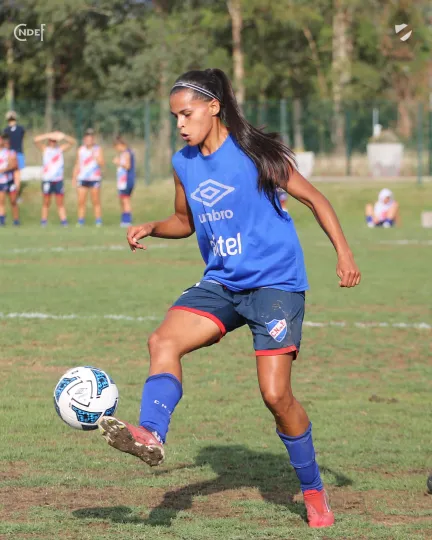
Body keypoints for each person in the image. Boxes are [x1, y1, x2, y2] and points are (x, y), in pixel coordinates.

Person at [98, 68, 361, 529]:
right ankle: (151, 434)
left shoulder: (254, 154)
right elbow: (185, 221)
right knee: (163, 341)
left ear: (214, 106)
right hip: (222, 281)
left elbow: (316, 199)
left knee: (276, 395)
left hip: (275, 284)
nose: (180, 124)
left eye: (187, 113)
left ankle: (313, 490)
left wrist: (344, 254)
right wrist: (153, 226)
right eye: (175, 117)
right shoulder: (184, 163)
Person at [33, 130, 76, 227]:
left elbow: (72, 142)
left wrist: (63, 136)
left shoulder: (59, 149)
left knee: (60, 202)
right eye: (51, 140)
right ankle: (44, 221)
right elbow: (35, 140)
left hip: (58, 180)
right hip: (47, 180)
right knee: (46, 202)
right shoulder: (45, 149)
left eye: (54, 140)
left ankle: (64, 221)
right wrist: (48, 135)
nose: (53, 142)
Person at [72, 128, 104, 226]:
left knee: (95, 200)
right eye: (86, 138)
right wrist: (74, 177)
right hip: (82, 178)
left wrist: (96, 157)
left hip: (94, 178)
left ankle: (98, 221)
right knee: (81, 200)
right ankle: (81, 221)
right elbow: (77, 164)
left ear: (93, 139)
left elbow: (102, 163)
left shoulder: (98, 149)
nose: (88, 140)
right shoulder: (81, 150)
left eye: (90, 138)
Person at [113, 135, 135, 227]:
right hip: (123, 181)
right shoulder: (124, 153)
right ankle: (124, 219)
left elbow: (127, 166)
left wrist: (118, 162)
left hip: (127, 180)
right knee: (122, 200)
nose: (116, 149)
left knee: (125, 200)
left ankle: (127, 220)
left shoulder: (127, 153)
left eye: (116, 147)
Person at [0, 132, 20, 226]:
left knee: (13, 201)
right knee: (1, 201)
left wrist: (4, 169)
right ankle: (2, 220)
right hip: (1, 181)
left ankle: (16, 220)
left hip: (9, 180)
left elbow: (14, 165)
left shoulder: (9, 152)